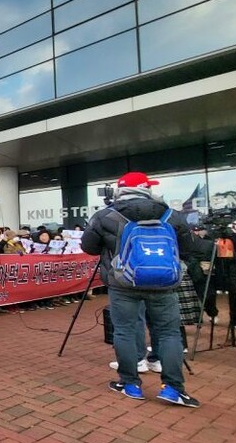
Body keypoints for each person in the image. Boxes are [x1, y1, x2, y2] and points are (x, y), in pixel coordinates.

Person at [81, 171, 201, 407]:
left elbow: (89, 247)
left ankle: (130, 383)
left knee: (124, 331)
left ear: (119, 191)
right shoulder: (170, 214)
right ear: (147, 189)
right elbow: (188, 248)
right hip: (164, 283)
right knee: (168, 333)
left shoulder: (106, 215)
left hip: (123, 282)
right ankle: (173, 388)